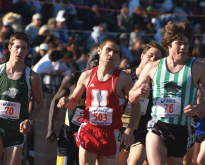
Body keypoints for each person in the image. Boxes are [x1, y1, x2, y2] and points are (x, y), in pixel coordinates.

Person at [129, 21, 205, 165]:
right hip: (157, 124)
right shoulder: (152, 67)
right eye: (179, 43)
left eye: (186, 43)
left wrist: (197, 108)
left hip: (182, 129)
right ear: (168, 44)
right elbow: (131, 95)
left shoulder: (198, 68)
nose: (183, 47)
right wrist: (138, 93)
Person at [57, 37, 139, 165]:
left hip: (111, 133)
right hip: (89, 129)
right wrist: (66, 101)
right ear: (99, 50)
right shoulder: (86, 76)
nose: (112, 54)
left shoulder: (123, 78)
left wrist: (129, 129)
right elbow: (73, 101)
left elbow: (135, 104)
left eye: (116, 52)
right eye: (109, 50)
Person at [46, 44, 99, 165]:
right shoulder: (73, 78)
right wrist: (50, 129)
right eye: (95, 57)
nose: (97, 62)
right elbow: (55, 100)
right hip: (68, 135)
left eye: (100, 60)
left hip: (90, 136)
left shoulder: (104, 85)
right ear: (88, 56)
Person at [117, 41, 166, 165]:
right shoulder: (124, 75)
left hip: (142, 131)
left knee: (134, 162)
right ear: (142, 56)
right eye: (150, 55)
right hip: (118, 128)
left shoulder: (159, 84)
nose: (152, 59)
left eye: (157, 58)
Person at [0, 32, 44, 164]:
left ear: (27, 50)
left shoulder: (32, 77)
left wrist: (29, 121)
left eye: (23, 48)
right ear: (10, 48)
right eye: (17, 47)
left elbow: (41, 104)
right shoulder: (0, 71)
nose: (20, 51)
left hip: (16, 132)